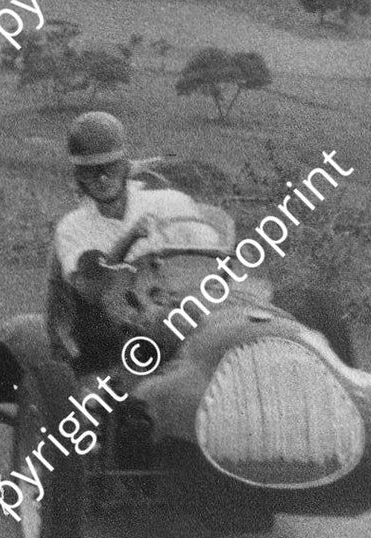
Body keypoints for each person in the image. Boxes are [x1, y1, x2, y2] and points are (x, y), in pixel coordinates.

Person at [47, 111, 233, 373]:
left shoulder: (168, 201)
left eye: (109, 167)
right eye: (90, 171)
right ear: (78, 176)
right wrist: (131, 236)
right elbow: (91, 290)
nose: (102, 178)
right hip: (112, 340)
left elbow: (214, 257)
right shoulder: (72, 226)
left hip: (178, 310)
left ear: (125, 165)